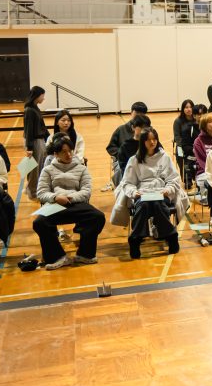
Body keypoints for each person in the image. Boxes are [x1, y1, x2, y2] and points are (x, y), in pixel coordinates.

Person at [111, 128, 188, 258]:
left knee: (158, 204)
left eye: (154, 139)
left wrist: (168, 190)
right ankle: (136, 239)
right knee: (143, 206)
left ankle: (171, 237)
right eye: (149, 140)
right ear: (143, 142)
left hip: (161, 192)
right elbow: (127, 182)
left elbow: (174, 179)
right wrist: (134, 193)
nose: (152, 142)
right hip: (143, 193)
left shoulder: (165, 157)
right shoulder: (134, 160)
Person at [33, 134, 106, 270]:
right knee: (39, 223)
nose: (68, 154)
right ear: (56, 154)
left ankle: (85, 254)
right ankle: (58, 257)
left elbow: (86, 191)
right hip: (56, 204)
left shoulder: (82, 168)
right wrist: (56, 197)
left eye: (70, 151)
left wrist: (71, 198)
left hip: (76, 203)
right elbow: (41, 192)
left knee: (98, 217)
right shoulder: (48, 170)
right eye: (64, 152)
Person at [106, 101, 148, 186]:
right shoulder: (121, 129)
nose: (139, 116)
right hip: (123, 160)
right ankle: (123, 189)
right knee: (120, 170)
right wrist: (123, 154)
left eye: (142, 114)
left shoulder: (148, 130)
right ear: (131, 113)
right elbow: (111, 147)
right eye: (137, 113)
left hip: (144, 160)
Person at [22, 85, 49, 199]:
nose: (43, 98)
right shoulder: (29, 110)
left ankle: (30, 188)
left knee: (39, 166)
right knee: (34, 168)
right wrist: (29, 147)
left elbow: (42, 126)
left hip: (39, 140)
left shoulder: (35, 108)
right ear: (37, 96)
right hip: (34, 141)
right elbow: (29, 130)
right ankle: (32, 192)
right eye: (42, 96)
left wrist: (48, 137)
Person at [193, 112, 212, 218]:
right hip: (204, 172)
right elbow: (202, 162)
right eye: (210, 122)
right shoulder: (198, 141)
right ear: (204, 125)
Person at [173, 99, 199, 186]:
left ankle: (197, 176)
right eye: (186, 107)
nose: (189, 109)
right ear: (183, 109)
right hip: (182, 146)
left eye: (190, 107)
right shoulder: (178, 121)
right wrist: (184, 147)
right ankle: (187, 179)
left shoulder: (197, 120)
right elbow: (177, 137)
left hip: (194, 145)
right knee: (181, 156)